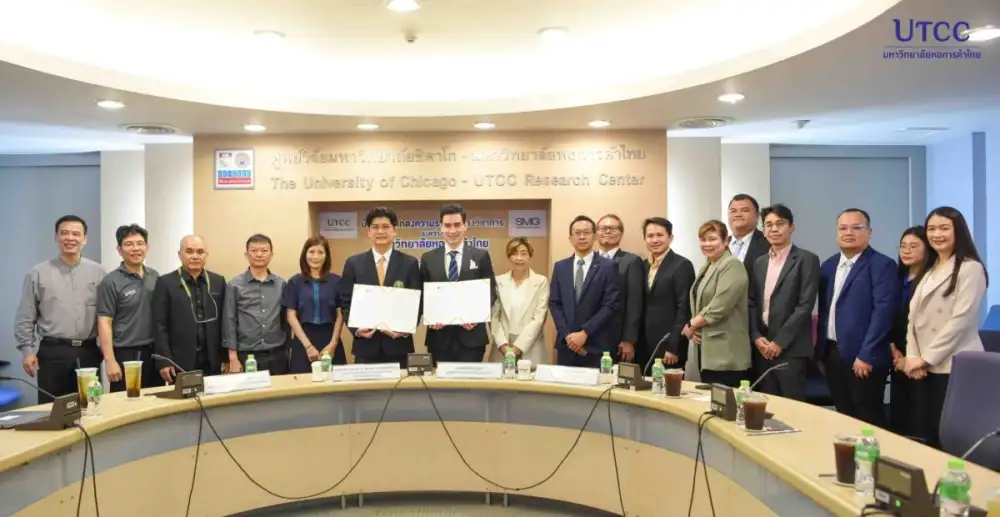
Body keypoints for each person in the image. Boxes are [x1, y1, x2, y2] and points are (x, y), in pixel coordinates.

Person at [905, 207, 987, 448]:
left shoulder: (970, 268)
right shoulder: (929, 268)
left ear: (958, 231)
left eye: (944, 228)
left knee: (949, 437)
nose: (936, 234)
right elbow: (912, 319)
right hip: (922, 366)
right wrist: (912, 356)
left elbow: (961, 320)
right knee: (926, 432)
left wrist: (926, 358)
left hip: (953, 364)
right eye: (931, 229)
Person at [815, 209, 897, 427]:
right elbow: (825, 311)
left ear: (869, 232)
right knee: (843, 415)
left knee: (867, 416)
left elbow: (883, 313)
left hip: (863, 356)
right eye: (843, 228)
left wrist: (867, 355)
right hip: (832, 353)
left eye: (856, 227)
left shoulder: (882, 265)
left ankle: (876, 451)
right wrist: (821, 353)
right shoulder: (828, 266)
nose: (848, 232)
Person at [14, 215, 106, 403]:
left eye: (76, 234)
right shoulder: (38, 273)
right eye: (65, 233)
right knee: (53, 409)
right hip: (53, 353)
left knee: (91, 406)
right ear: (56, 237)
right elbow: (25, 316)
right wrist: (27, 351)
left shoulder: (98, 272)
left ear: (85, 239)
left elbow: (106, 315)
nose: (70, 238)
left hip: (89, 352)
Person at [747, 205, 820, 401]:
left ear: (791, 227)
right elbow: (752, 302)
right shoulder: (760, 262)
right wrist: (756, 336)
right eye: (768, 225)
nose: (774, 229)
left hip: (791, 349)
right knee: (766, 406)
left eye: (780, 224)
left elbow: (805, 305)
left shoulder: (807, 259)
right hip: (763, 348)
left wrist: (780, 342)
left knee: (792, 407)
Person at [340, 207, 422, 367]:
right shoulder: (353, 263)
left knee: (400, 384)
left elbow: (417, 302)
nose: (380, 231)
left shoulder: (409, 263)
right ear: (368, 232)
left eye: (385, 227)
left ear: (394, 231)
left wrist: (405, 329)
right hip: (365, 346)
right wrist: (356, 329)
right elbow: (345, 302)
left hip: (398, 345)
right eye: (375, 227)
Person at [420, 203, 497, 363]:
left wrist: (475, 316)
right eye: (447, 225)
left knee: (470, 379)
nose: (452, 230)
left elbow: (490, 292)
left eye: (457, 225)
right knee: (440, 380)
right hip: (439, 337)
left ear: (465, 226)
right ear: (441, 227)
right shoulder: (428, 258)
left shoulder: (481, 256)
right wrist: (431, 316)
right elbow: (422, 294)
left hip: (472, 336)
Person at [683, 220, 751, 388]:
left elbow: (720, 306)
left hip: (727, 352)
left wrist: (691, 324)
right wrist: (694, 328)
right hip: (708, 350)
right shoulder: (707, 265)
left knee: (726, 401)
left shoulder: (732, 264)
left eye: (712, 239)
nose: (707, 244)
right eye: (703, 239)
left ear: (726, 241)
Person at [152, 235, 228, 381]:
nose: (195, 256)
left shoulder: (218, 281)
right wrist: (164, 360)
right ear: (180, 255)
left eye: (200, 252)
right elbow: (159, 324)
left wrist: (225, 356)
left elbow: (225, 321)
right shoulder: (165, 282)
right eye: (189, 251)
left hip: (213, 359)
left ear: (206, 255)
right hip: (179, 360)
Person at [549, 215, 621, 367]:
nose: (582, 237)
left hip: (595, 346)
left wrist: (585, 333)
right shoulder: (560, 267)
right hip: (567, 346)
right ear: (570, 238)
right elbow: (555, 303)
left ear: (594, 236)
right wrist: (567, 335)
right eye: (577, 233)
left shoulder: (608, 266)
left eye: (586, 232)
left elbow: (611, 305)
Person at [96, 224, 161, 392]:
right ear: (119, 250)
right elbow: (104, 322)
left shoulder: (154, 276)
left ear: (147, 247)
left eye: (140, 243)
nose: (135, 248)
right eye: (129, 244)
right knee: (126, 403)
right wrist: (110, 360)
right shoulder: (111, 282)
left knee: (155, 402)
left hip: (154, 352)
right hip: (126, 353)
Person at [224, 234, 288, 375]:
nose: (259, 254)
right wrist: (232, 357)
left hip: (277, 354)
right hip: (246, 356)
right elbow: (229, 322)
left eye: (264, 251)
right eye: (254, 250)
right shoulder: (234, 285)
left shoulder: (281, 284)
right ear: (246, 254)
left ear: (271, 255)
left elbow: (285, 320)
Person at [887, 226, 929, 436]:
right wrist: (894, 350)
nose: (906, 250)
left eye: (914, 246)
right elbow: (888, 317)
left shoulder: (930, 280)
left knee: (921, 420)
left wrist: (912, 358)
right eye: (903, 246)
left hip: (923, 359)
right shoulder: (896, 278)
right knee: (899, 420)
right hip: (898, 356)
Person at [639, 217, 695, 373]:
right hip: (644, 345)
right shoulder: (642, 265)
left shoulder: (682, 265)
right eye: (650, 236)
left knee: (668, 387)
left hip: (669, 347)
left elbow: (684, 308)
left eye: (660, 235)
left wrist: (674, 346)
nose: (655, 240)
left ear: (670, 237)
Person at [284, 236, 346, 373]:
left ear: (326, 256)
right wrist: (308, 346)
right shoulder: (295, 282)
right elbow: (290, 315)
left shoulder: (337, 281)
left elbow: (340, 314)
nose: (315, 257)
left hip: (330, 337)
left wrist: (333, 343)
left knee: (333, 381)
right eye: (311, 252)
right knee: (302, 382)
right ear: (304, 254)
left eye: (320, 252)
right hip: (303, 339)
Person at [489, 238, 550, 366]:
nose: (519, 258)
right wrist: (503, 346)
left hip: (531, 346)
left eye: (523, 253)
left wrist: (518, 348)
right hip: (503, 347)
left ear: (530, 256)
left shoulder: (540, 282)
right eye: (514, 254)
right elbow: (494, 317)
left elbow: (539, 318)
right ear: (509, 256)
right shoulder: (499, 282)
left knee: (530, 378)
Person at [595, 214, 644, 363]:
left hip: (617, 337)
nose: (607, 231)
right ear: (596, 233)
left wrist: (628, 339)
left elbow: (634, 303)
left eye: (613, 228)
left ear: (621, 233)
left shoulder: (631, 261)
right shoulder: (589, 260)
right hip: (590, 336)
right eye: (603, 228)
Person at [727, 194, 770, 275]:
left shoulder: (768, 243)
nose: (738, 215)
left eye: (744, 210)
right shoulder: (720, 244)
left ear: (757, 216)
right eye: (733, 211)